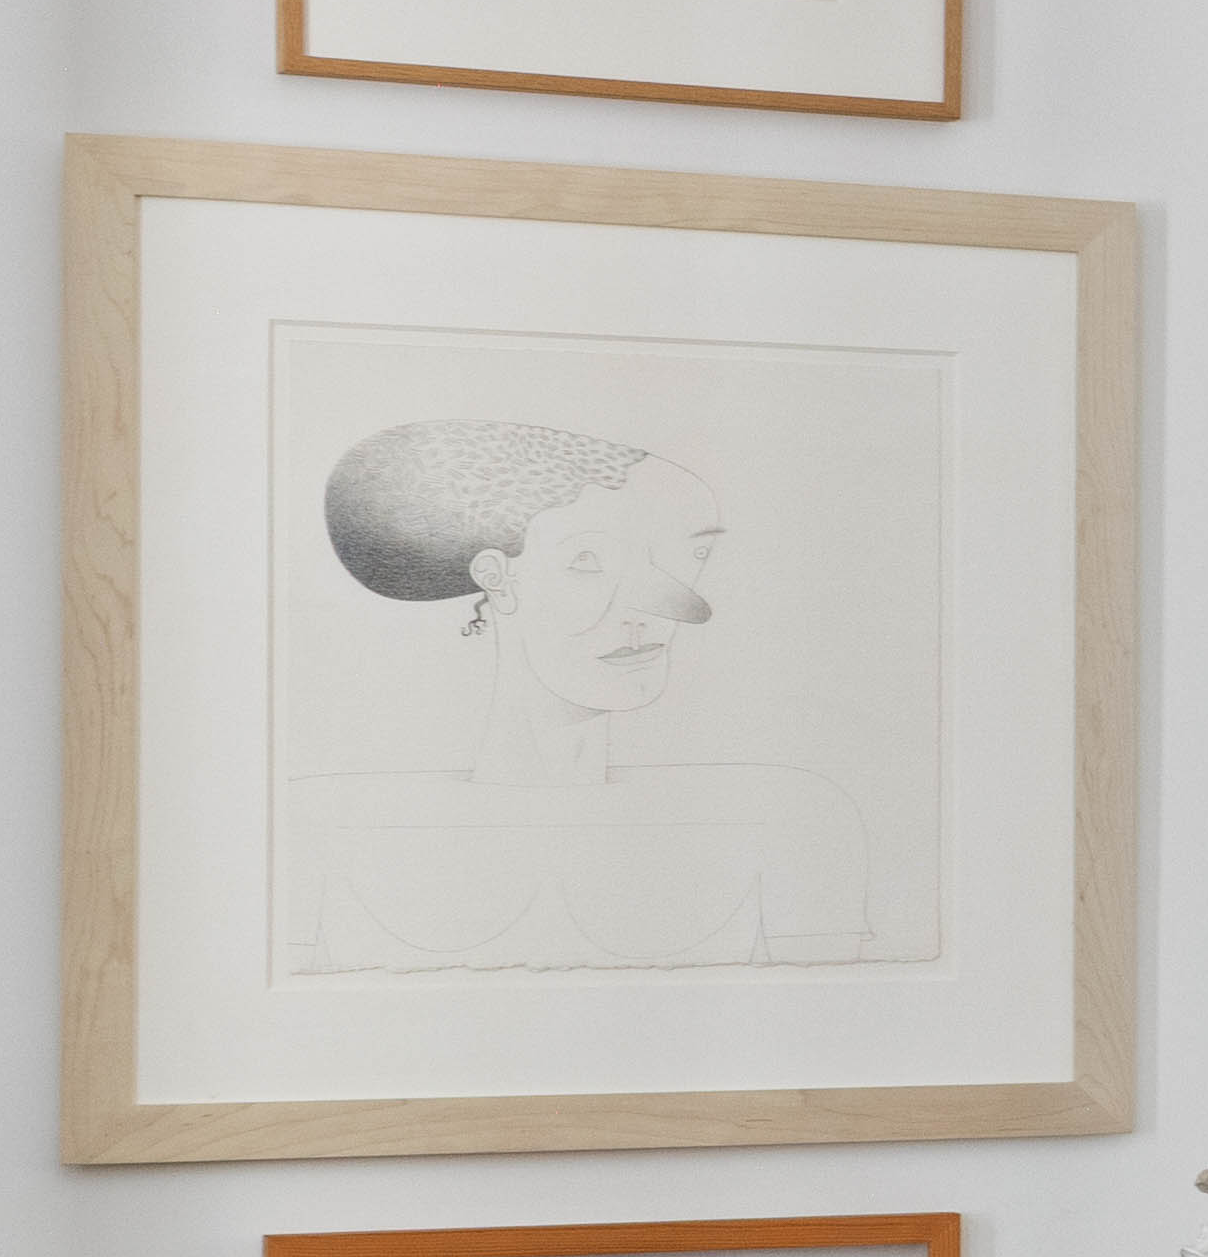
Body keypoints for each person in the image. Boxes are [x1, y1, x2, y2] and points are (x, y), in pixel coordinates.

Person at [284, 413, 891, 970]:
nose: (654, 610)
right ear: (497, 578)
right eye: (588, 562)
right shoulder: (320, 828)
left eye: (693, 553)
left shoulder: (792, 817)